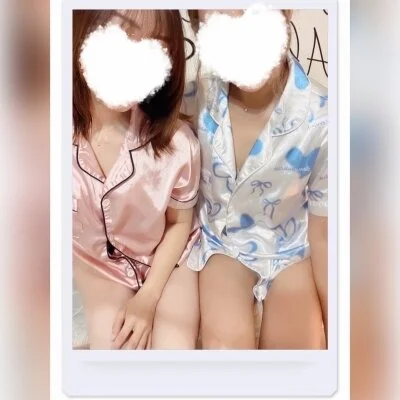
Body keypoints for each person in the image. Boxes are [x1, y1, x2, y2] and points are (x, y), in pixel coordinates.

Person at [187, 7, 328, 349]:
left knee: (300, 356)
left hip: (291, 248)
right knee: (225, 349)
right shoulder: (194, 100)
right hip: (222, 243)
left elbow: (325, 233)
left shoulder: (324, 117)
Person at [72, 10, 200, 350]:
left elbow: (179, 224)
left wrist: (149, 296)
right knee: (115, 354)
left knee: (174, 352)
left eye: (156, 48)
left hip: (171, 261)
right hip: (99, 264)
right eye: (122, 37)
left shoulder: (178, 144)